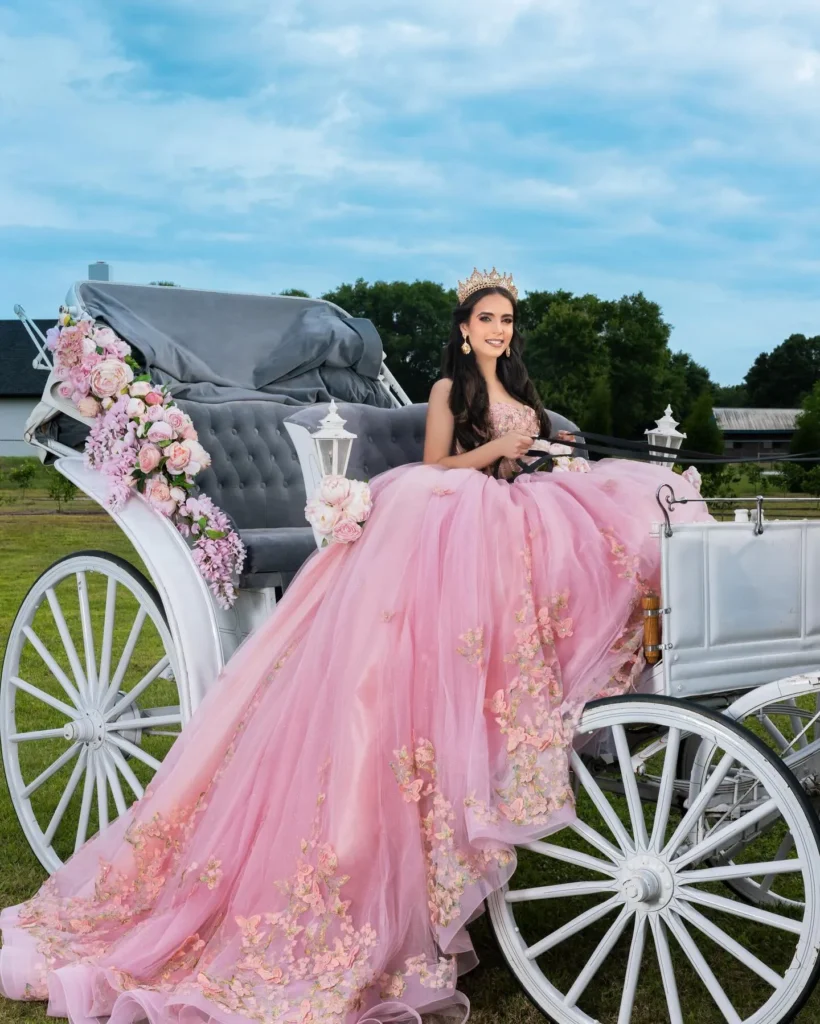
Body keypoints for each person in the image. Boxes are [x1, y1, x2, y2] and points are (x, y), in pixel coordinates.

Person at [0, 269, 708, 1024]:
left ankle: (569, 681)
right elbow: (439, 466)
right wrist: (502, 447)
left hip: (506, 498)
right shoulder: (445, 394)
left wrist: (541, 448)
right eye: (487, 321)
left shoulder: (525, 394)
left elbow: (516, 462)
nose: (500, 332)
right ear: (465, 331)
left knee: (598, 517)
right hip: (448, 502)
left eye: (508, 321)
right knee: (493, 525)